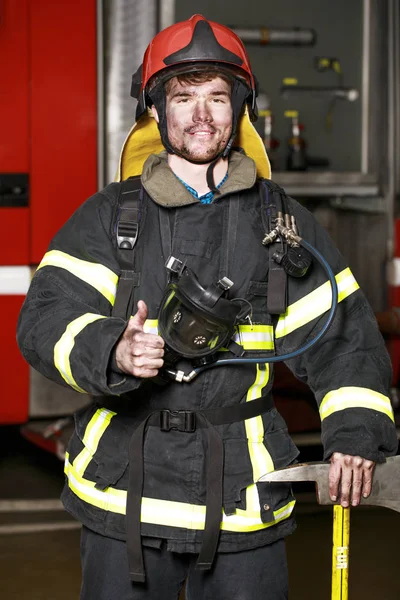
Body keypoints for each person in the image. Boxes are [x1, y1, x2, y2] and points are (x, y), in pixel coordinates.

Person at [17, 14, 397, 600]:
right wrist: (111, 348)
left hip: (243, 502)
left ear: (240, 107)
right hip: (124, 498)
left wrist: (355, 436)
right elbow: (43, 320)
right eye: (184, 95)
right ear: (156, 110)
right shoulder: (110, 218)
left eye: (217, 96)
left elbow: (345, 342)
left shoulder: (282, 225)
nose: (201, 114)